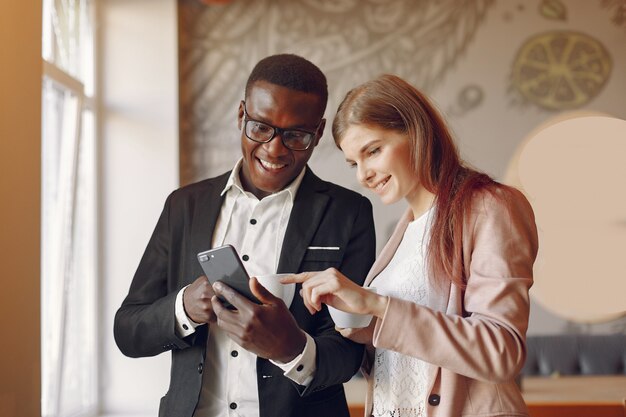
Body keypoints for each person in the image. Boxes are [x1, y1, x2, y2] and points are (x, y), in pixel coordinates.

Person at [113, 54, 376, 417]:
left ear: (317, 134)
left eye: (296, 135)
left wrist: (292, 348)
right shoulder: (184, 206)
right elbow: (128, 330)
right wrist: (184, 307)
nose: (274, 148)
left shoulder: (350, 212)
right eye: (261, 127)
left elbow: (352, 352)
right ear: (241, 116)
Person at [284, 74, 539, 416]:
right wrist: (357, 323)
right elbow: (406, 353)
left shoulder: (489, 207)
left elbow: (501, 351)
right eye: (354, 163)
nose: (363, 175)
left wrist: (376, 303)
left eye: (372, 151)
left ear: (416, 131)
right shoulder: (404, 232)